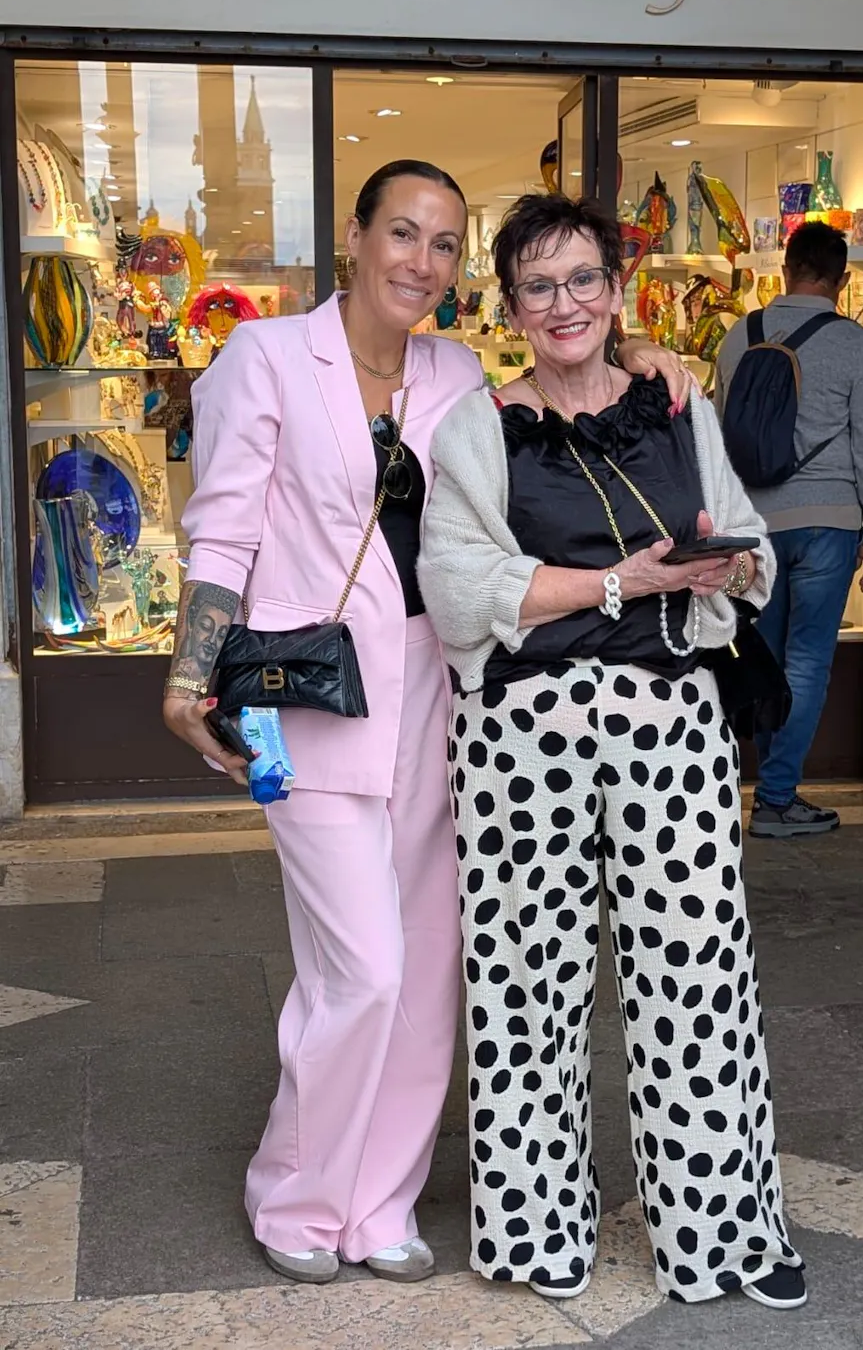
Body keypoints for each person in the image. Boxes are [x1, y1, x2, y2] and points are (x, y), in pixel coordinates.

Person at [161, 160, 690, 1286]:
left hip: (438, 697)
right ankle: (298, 1194)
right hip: (307, 694)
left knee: (428, 963)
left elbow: (552, 399)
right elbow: (224, 530)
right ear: (355, 236)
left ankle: (381, 1200)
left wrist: (641, 351)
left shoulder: (454, 371)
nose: (423, 261)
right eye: (403, 233)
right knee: (362, 966)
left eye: (445, 244)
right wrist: (186, 673)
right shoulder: (265, 356)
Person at [418, 193, 807, 1311]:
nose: (564, 304)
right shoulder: (479, 428)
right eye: (537, 286)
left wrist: (729, 567)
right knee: (524, 982)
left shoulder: (676, 405)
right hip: (521, 734)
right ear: (510, 306)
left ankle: (722, 1233)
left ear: (615, 287)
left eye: (582, 278)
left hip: (669, 718)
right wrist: (615, 583)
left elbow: (750, 537)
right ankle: (537, 1227)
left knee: (698, 975)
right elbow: (457, 587)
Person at [715, 223, 863, 838]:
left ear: (785, 270)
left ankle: (758, 786)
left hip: (755, 527)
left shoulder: (740, 336)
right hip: (828, 523)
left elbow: (719, 437)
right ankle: (778, 796)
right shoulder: (854, 343)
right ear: (840, 281)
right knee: (809, 659)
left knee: (763, 654)